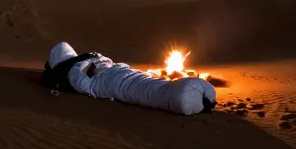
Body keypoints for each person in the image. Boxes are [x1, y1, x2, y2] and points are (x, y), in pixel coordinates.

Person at [40, 42, 216, 116]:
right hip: (111, 81)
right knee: (145, 89)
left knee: (147, 83)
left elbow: (104, 63)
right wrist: (89, 63)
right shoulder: (76, 69)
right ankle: (185, 97)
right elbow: (81, 81)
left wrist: (91, 62)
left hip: (117, 73)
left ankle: (191, 96)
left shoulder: (81, 63)